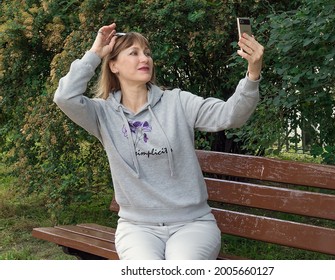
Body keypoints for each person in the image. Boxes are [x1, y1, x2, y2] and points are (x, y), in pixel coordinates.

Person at [54, 23, 264, 260]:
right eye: (133, 53)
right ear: (113, 65)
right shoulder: (102, 114)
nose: (144, 58)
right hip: (136, 228)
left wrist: (253, 73)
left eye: (147, 52)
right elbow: (65, 96)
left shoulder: (177, 102)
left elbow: (231, 115)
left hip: (192, 225)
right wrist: (94, 54)